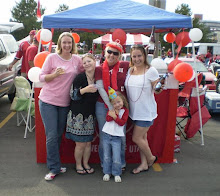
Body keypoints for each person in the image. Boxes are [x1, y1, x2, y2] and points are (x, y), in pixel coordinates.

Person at [38, 32, 83, 181]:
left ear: (73, 44)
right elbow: (41, 77)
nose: (67, 45)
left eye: (69, 43)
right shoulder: (52, 57)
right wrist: (54, 75)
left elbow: (87, 71)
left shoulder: (77, 60)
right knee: (51, 135)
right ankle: (53, 168)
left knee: (58, 135)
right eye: (64, 43)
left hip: (64, 104)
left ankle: (55, 164)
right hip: (48, 101)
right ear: (59, 44)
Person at [125, 44, 162, 174]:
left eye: (139, 56)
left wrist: (158, 87)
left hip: (146, 112)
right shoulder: (130, 70)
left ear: (144, 56)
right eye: (134, 56)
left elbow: (157, 89)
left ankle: (151, 158)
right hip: (134, 112)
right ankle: (144, 164)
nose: (137, 59)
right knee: (143, 139)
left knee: (137, 138)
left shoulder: (151, 70)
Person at [95, 42, 129, 171]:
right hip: (103, 106)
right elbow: (100, 88)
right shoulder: (98, 69)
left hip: (121, 107)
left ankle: (120, 163)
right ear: (105, 52)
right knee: (105, 136)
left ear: (120, 55)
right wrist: (111, 107)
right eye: (109, 52)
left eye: (116, 53)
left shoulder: (126, 65)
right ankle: (105, 164)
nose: (112, 55)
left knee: (121, 135)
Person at [65, 54, 98, 175]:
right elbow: (73, 95)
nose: (87, 64)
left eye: (89, 61)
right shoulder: (79, 77)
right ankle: (78, 165)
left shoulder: (98, 77)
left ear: (95, 62)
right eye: (84, 63)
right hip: (77, 116)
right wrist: (85, 90)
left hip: (90, 116)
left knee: (88, 142)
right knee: (80, 143)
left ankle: (86, 163)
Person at [102, 89, 129, 183]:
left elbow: (122, 123)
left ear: (123, 100)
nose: (117, 104)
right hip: (106, 135)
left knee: (117, 157)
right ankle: (107, 172)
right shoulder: (111, 110)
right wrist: (112, 114)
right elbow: (107, 119)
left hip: (117, 137)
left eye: (119, 102)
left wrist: (115, 117)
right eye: (114, 103)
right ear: (112, 105)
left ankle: (116, 173)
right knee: (106, 156)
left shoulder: (125, 111)